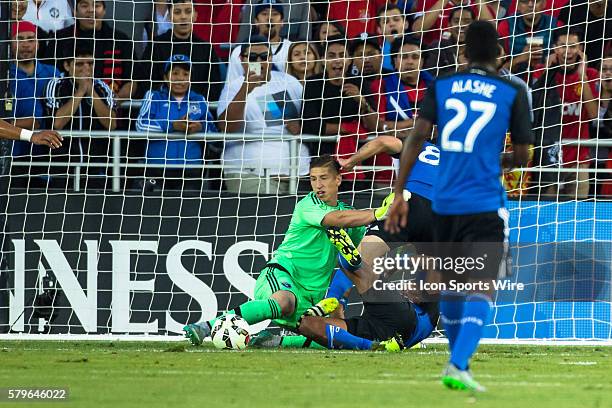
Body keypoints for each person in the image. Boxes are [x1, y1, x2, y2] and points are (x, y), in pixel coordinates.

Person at [386, 21, 533, 391]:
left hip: (443, 202)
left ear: (463, 52)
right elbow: (523, 153)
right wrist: (494, 163)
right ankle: (457, 363)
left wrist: (399, 194)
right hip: (483, 200)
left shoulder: (441, 86)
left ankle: (457, 364)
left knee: (451, 285)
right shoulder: (512, 90)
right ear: (499, 55)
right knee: (483, 284)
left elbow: (415, 138)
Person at [183, 155, 397, 345]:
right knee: (285, 301)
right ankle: (206, 327)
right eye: (313, 179)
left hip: (310, 296)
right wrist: (379, 212)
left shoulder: (352, 218)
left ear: (338, 180)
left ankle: (274, 341)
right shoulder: (308, 205)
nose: (318, 185)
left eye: (324, 178)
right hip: (283, 274)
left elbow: (359, 256)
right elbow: (335, 219)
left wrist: (343, 296)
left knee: (331, 336)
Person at [217, 36, 309, 194]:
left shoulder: (290, 82)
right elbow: (227, 127)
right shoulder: (233, 87)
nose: (259, 61)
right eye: (252, 57)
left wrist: (301, 126)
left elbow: (310, 120)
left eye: (264, 56)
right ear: (242, 59)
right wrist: (246, 89)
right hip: (251, 174)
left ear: (271, 58)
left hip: (297, 173)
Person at [533, 28, 599, 198]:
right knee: (546, 214)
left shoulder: (590, 74)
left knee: (579, 216)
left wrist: (582, 75)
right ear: (555, 48)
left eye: (572, 46)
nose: (567, 51)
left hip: (578, 160)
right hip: (547, 158)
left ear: (581, 49)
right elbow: (535, 111)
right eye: (563, 46)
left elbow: (594, 115)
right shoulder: (542, 71)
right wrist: (548, 71)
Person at [136, 54, 217, 192]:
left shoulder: (199, 99)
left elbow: (214, 135)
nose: (180, 78)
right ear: (166, 78)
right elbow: (140, 126)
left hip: (191, 171)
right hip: (157, 170)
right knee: (154, 210)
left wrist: (200, 128)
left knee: (188, 211)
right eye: (175, 73)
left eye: (186, 74)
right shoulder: (153, 96)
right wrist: (172, 125)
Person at [44, 41, 117, 187]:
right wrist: (81, 91)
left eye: (90, 64)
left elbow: (111, 124)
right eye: (79, 64)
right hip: (62, 166)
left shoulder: (102, 87)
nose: (86, 69)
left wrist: (91, 91)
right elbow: (57, 123)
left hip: (96, 166)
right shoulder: (56, 85)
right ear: (67, 66)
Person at [45, 0, 136, 100]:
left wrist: (112, 103)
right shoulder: (60, 39)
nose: (91, 10)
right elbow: (49, 77)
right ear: (75, 12)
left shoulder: (120, 40)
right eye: (84, 6)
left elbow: (132, 81)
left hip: (109, 111)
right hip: (68, 106)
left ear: (104, 10)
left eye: (97, 5)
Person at [138, 0, 222, 102]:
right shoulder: (155, 46)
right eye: (177, 12)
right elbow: (145, 83)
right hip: (162, 110)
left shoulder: (206, 49)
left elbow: (214, 88)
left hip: (197, 111)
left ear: (195, 15)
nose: (183, 17)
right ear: (169, 17)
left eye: (188, 11)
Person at [9, 21, 61, 154]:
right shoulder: (5, 75)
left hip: (47, 152)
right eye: (19, 39)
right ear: (10, 43)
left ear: (38, 44)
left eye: (31, 39)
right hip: (13, 151)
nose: (25, 45)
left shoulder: (52, 73)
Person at [226, 0, 291, 83]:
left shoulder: (292, 49)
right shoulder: (240, 51)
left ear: (282, 22)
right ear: (256, 21)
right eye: (264, 14)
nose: (270, 18)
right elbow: (231, 87)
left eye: (275, 14)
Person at [423, 6, 474, 76]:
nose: (461, 25)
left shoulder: (481, 49)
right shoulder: (437, 48)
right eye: (456, 21)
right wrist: (459, 69)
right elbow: (431, 76)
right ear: (449, 26)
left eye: (467, 21)